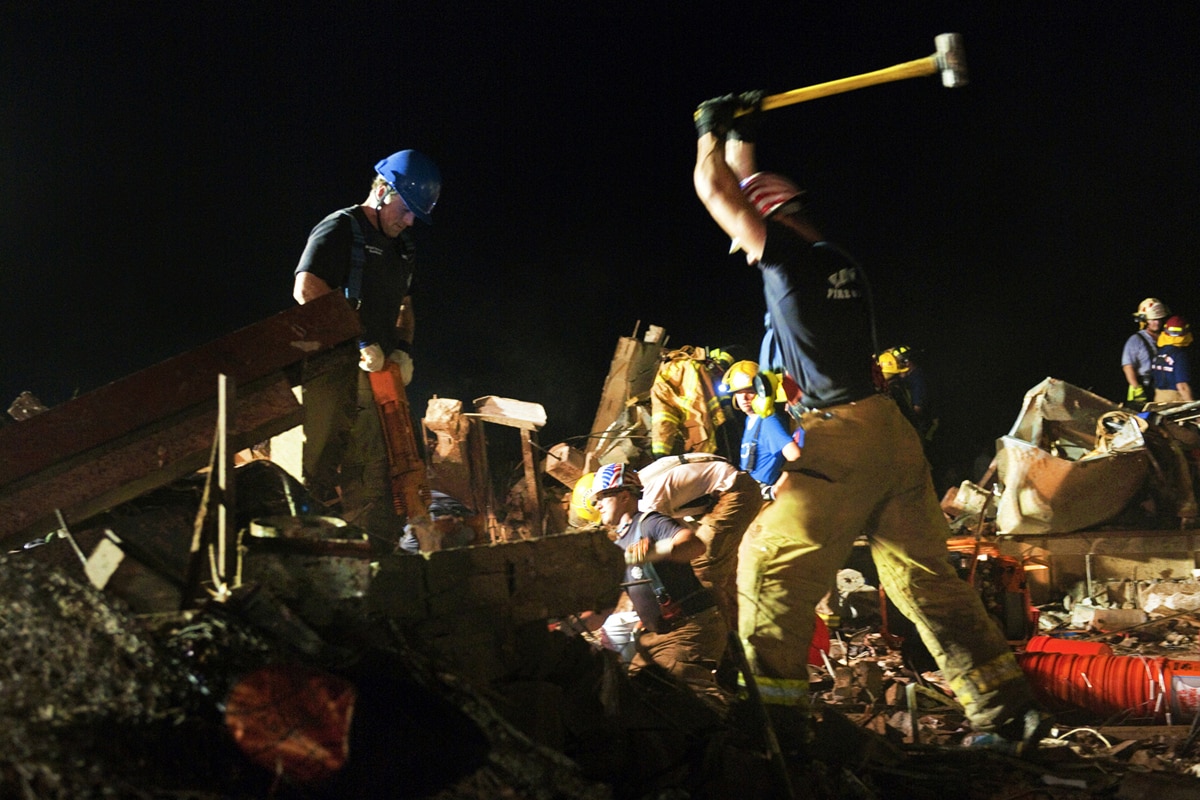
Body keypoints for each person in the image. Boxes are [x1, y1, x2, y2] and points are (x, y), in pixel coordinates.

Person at [691, 92, 1046, 753]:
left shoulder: (787, 266)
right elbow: (744, 193)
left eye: (748, 239)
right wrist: (744, 135)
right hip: (892, 437)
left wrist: (709, 130)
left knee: (768, 570)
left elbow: (716, 191)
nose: (743, 254)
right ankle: (1007, 711)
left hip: (841, 442)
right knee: (925, 579)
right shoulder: (837, 259)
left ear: (764, 221)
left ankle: (773, 726)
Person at [292, 149, 441, 551]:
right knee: (319, 470)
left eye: (415, 215)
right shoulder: (340, 228)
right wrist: (357, 339)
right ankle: (304, 551)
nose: (409, 221)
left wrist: (404, 348)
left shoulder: (404, 249)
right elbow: (306, 288)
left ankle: (370, 560)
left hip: (379, 378)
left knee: (379, 471)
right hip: (332, 369)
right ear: (382, 189)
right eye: (406, 210)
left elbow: (405, 307)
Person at [587, 463, 729, 712]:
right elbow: (603, 608)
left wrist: (657, 551)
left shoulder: (649, 523)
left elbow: (694, 545)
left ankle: (730, 738)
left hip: (689, 630)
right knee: (635, 694)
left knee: (681, 699)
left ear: (623, 496)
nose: (596, 505)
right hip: (655, 638)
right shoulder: (619, 546)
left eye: (601, 497)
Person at [637, 453, 764, 631]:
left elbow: (681, 542)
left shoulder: (649, 499)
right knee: (724, 574)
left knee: (703, 569)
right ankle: (745, 629)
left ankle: (722, 641)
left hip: (734, 493)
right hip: (732, 488)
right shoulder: (645, 479)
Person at [721, 360, 801, 492]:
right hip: (752, 493)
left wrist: (775, 490)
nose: (744, 397)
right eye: (739, 392)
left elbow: (795, 457)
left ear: (762, 390)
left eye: (750, 391)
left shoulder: (769, 421)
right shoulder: (750, 420)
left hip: (766, 498)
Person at [1123, 298, 1171, 404]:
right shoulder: (1135, 340)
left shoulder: (1168, 338)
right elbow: (1128, 366)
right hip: (1145, 386)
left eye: (1159, 319)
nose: (1157, 322)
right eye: (1153, 319)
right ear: (1144, 320)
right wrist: (1136, 387)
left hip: (1164, 386)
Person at [1151, 315, 1194, 402]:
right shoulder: (1179, 355)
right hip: (1175, 400)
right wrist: (1193, 406)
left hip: (1158, 398)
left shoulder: (1160, 353)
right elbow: (1182, 386)